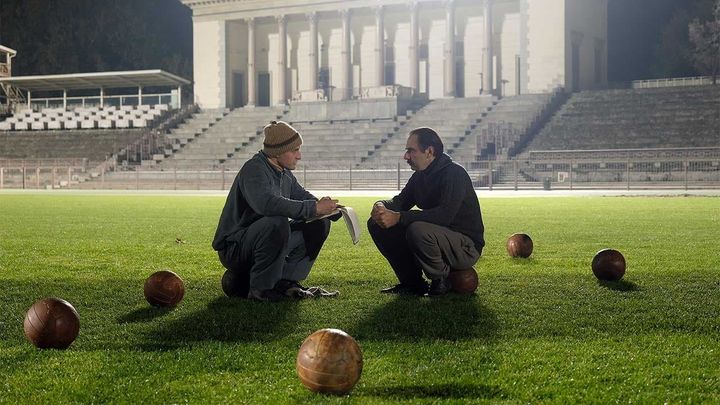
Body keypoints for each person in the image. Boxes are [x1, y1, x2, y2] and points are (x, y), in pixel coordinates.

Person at [213, 120, 339, 301]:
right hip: (235, 247)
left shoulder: (284, 172)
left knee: (319, 222)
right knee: (276, 221)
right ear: (278, 152)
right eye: (294, 150)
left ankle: (288, 282)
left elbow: (302, 196)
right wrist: (313, 208)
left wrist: (327, 209)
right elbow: (268, 204)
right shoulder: (254, 169)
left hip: (263, 239)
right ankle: (261, 291)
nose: (299, 156)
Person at [367, 127, 485, 297]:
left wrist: (399, 217)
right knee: (376, 224)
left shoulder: (454, 173)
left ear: (429, 152)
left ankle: (440, 281)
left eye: (410, 151)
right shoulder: (420, 176)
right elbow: (400, 202)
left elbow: (444, 216)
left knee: (418, 229)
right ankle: (412, 283)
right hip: (438, 239)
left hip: (466, 246)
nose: (406, 156)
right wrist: (380, 206)